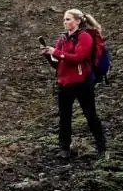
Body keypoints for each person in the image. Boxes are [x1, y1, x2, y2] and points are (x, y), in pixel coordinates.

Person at [42, 9, 107, 159]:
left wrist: (55, 52)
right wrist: (48, 55)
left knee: (90, 115)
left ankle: (102, 148)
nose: (65, 22)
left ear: (78, 21)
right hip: (64, 83)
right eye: (64, 19)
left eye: (68, 19)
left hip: (82, 83)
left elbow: (78, 58)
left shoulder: (84, 37)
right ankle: (64, 149)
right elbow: (58, 65)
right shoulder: (62, 39)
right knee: (64, 117)